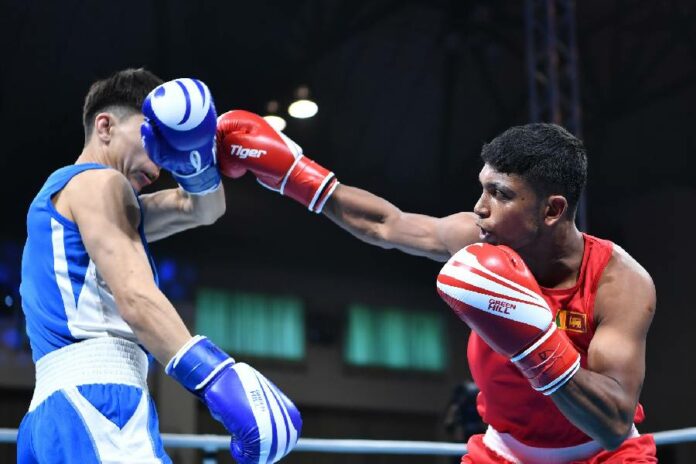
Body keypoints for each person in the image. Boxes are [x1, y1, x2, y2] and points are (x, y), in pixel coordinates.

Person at [214, 111, 657, 463]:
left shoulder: (618, 283)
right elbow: (386, 224)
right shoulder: (476, 238)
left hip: (604, 456)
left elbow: (615, 422)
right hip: (504, 454)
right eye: (482, 188)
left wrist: (538, 346)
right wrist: (295, 173)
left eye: (501, 194)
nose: (479, 208)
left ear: (551, 210)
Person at [17, 71, 301, 464]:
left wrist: (197, 161)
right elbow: (135, 296)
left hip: (52, 414)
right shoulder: (100, 183)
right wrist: (217, 378)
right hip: (100, 405)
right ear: (105, 126)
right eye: (153, 139)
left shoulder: (75, 197)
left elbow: (201, 208)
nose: (159, 161)